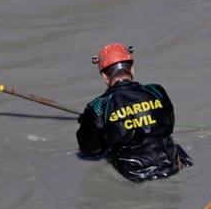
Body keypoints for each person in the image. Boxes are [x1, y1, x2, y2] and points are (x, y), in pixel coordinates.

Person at [76, 43, 192, 183]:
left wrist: (87, 122)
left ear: (104, 76)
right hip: (172, 165)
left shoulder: (98, 106)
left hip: (135, 176)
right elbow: (169, 125)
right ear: (132, 69)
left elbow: (90, 149)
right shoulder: (156, 91)